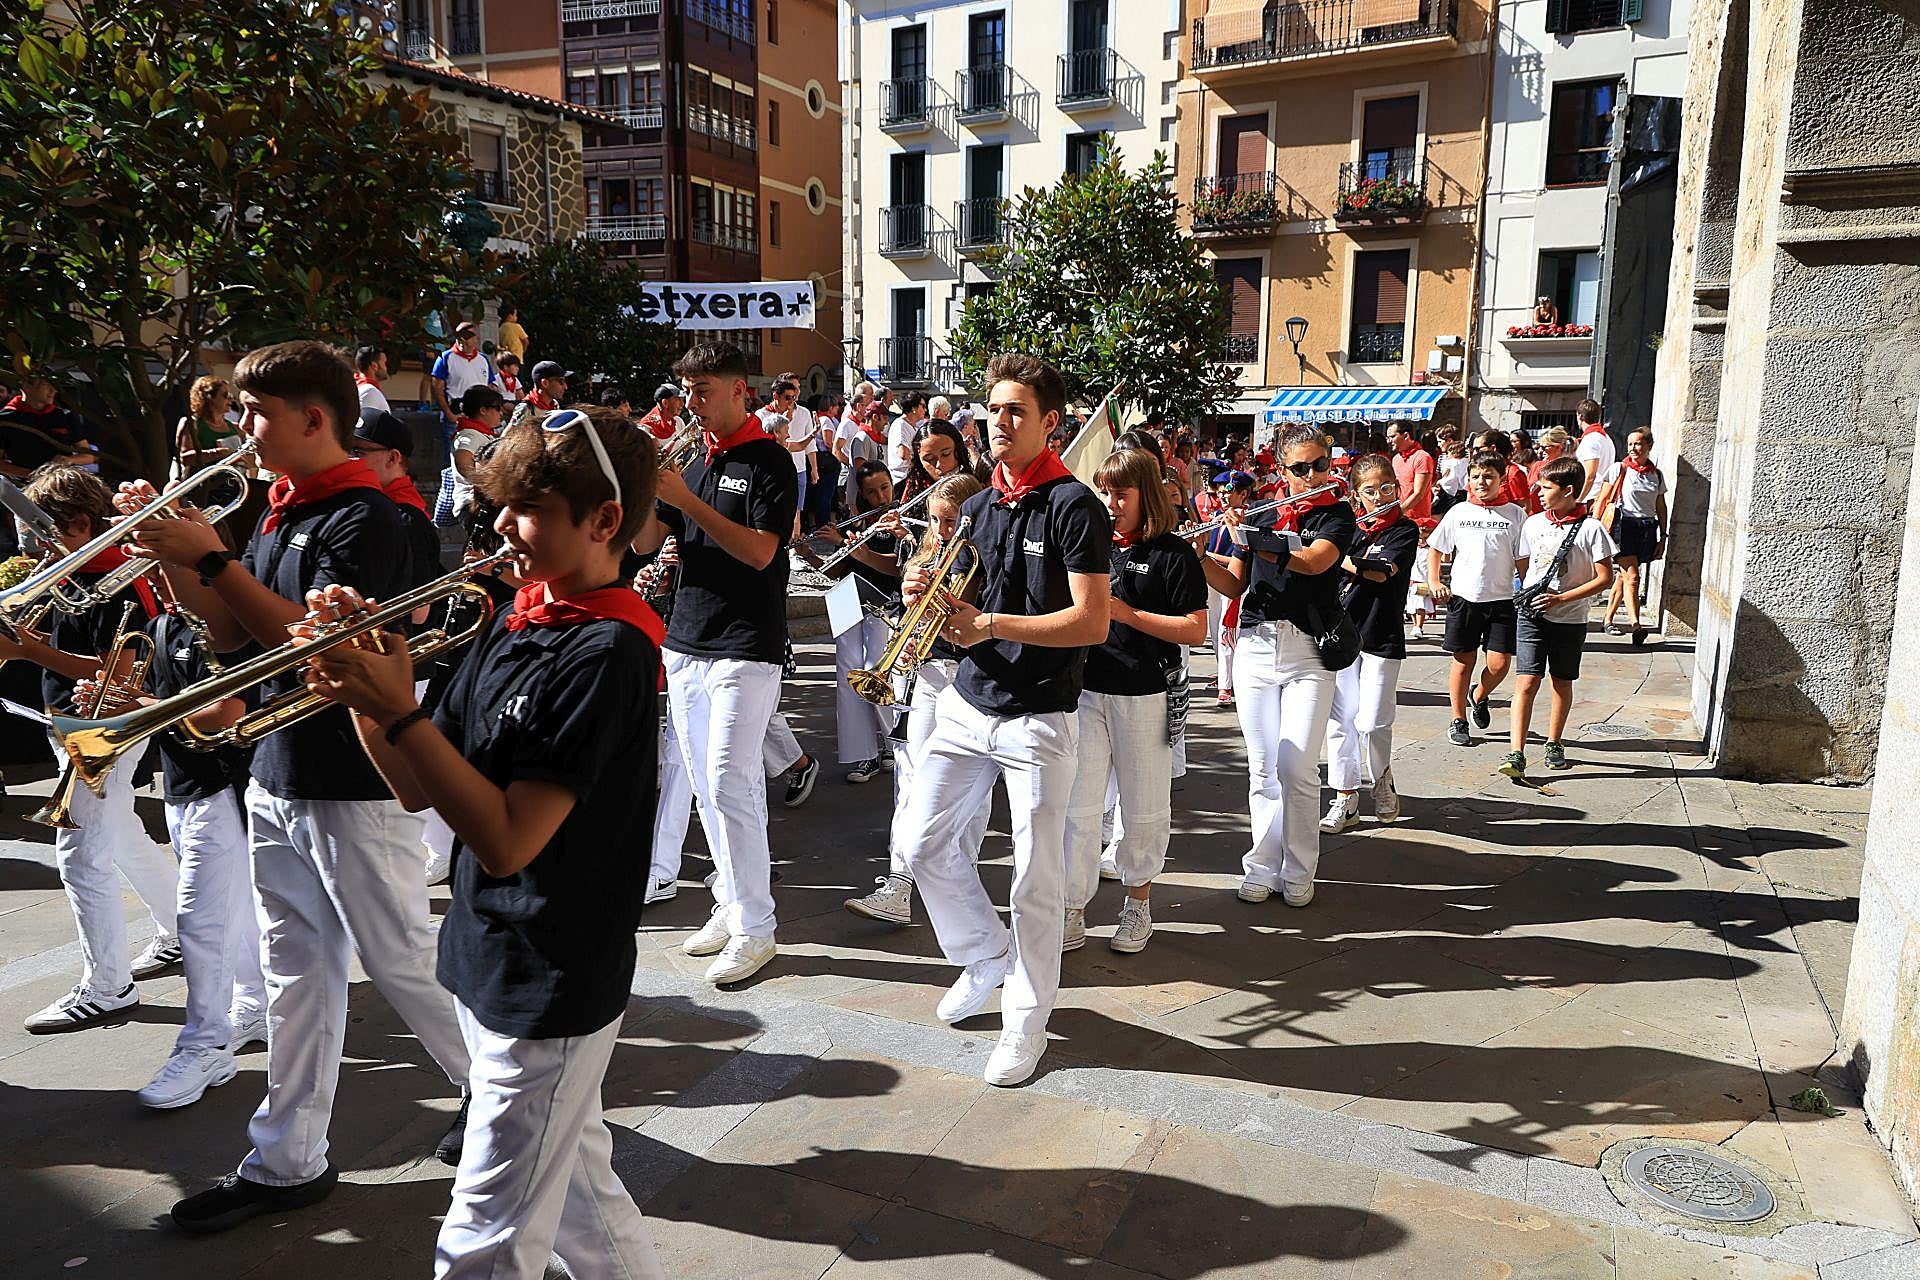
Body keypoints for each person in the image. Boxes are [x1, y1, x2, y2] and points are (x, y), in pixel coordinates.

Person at [301, 405, 667, 1279]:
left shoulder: (607, 650)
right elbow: (417, 785)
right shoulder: (517, 616)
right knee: (582, 1205)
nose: (500, 524)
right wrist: (364, 691)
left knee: (485, 1241)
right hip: (486, 950)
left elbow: (508, 841)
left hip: (552, 973)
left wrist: (399, 708)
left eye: (527, 508)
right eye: (499, 504)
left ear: (605, 521)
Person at [122, 341, 469, 1233]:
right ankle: (286, 1160)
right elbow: (232, 633)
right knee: (294, 978)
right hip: (275, 770)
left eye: (257, 413)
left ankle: (500, 1093)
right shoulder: (281, 512)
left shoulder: (365, 516)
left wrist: (213, 560)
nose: (242, 429)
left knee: (399, 960)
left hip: (353, 779)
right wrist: (172, 556)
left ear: (314, 418)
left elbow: (321, 647)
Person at [894, 353, 1110, 1087]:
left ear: (1052, 423)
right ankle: (986, 956)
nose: (999, 422)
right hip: (967, 701)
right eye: (993, 409)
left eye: (1017, 410)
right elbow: (963, 597)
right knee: (920, 843)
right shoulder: (981, 506)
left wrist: (989, 624)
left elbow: (1090, 621)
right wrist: (926, 588)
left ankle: (1027, 1020)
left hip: (1040, 716)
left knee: (1034, 879)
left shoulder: (1074, 505)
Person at [635, 341, 796, 987]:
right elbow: (648, 541)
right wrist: (643, 492)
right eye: (687, 392)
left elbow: (760, 552)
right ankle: (731, 904)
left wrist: (686, 501)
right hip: (686, 639)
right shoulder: (690, 460)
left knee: (730, 780)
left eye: (703, 391)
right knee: (706, 784)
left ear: (738, 391)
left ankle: (757, 926)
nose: (692, 404)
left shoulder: (769, 460)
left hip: (746, 642)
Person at [8, 467, 180, 1035]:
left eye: (38, 533)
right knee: (123, 834)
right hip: (72, 723)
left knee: (80, 857)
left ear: (80, 524)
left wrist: (28, 652)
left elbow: (120, 672)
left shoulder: (112, 577)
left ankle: (108, 986)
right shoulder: (74, 572)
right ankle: (179, 932)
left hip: (104, 726)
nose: (30, 548)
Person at [103, 576, 266, 1107]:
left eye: (164, 562)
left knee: (199, 923)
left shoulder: (226, 627)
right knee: (231, 914)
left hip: (221, 787)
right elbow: (157, 707)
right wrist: (113, 702)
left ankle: (206, 1044)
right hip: (182, 788)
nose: (154, 575)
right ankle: (253, 1005)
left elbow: (228, 713)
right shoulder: (160, 625)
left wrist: (143, 704)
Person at [1194, 427, 1356, 911]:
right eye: (1301, 468)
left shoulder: (1336, 514)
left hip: (1308, 650)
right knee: (1263, 767)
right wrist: (1200, 554)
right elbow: (1234, 585)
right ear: (1283, 471)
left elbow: (1313, 562)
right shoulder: (1263, 511)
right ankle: (1261, 866)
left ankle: (1299, 869)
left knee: (1297, 766)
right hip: (1257, 646)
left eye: (1321, 464)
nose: (1313, 475)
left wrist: (1251, 536)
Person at [1063, 448, 1206, 954]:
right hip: (1085, 691)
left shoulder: (1173, 553)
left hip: (1145, 693)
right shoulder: (1091, 547)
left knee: (1144, 808)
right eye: (1104, 492)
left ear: (1146, 494)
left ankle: (1137, 904)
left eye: (1121, 493)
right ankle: (1072, 907)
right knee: (1078, 807)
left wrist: (1127, 615)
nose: (1110, 503)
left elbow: (1195, 629)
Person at [843, 471, 989, 926]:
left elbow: (980, 624)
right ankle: (898, 884)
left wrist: (942, 607)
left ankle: (961, 874)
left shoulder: (984, 559)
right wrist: (910, 621)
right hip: (927, 674)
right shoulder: (929, 553)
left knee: (968, 787)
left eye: (951, 521)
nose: (942, 531)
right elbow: (911, 613)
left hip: (969, 677)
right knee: (911, 776)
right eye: (936, 520)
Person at [1502, 455, 1616, 778]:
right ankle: (1516, 752)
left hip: (1571, 618)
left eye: (1546, 488)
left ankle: (1554, 742)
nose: (1538, 493)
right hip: (1533, 615)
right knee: (1526, 681)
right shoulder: (1533, 523)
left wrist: (1562, 598)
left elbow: (1605, 578)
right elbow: (1525, 565)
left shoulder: (1591, 529)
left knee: (1561, 681)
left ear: (1568, 491)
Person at [1322, 455, 1418, 831]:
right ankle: (1345, 797)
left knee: (1373, 721)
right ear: (1356, 494)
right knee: (1341, 720)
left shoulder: (1404, 530)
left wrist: (1334, 555)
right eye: (1370, 491)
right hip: (1342, 633)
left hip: (1381, 634)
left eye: (1386, 488)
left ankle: (1381, 778)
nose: (1380, 497)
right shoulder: (1348, 529)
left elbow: (1380, 573)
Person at [1427, 452, 1528, 748]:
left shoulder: (1515, 515)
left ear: (1501, 479)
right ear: (1468, 480)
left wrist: (1528, 589)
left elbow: (1522, 558)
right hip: (1464, 598)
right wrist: (1435, 581)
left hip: (1503, 600)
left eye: (1488, 477)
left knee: (1500, 664)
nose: (1481, 482)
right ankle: (1458, 718)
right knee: (1463, 661)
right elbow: (1436, 548)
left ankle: (1479, 695)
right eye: (1475, 477)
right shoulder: (1458, 512)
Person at [828, 460, 900, 784]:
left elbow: (900, 566)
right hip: (847, 597)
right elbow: (835, 570)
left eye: (885, 488)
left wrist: (865, 551)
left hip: (883, 601)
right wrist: (829, 548)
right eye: (872, 492)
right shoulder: (852, 520)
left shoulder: (902, 518)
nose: (880, 497)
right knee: (847, 678)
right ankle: (863, 755)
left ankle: (892, 743)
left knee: (875, 671)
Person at [1597, 427, 1667, 644]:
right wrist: (1594, 528)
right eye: (1630, 444)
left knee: (1624, 577)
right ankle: (1636, 626)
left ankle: (1608, 620)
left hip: (1646, 528)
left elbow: (1661, 506)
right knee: (1633, 577)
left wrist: (1663, 536)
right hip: (1624, 526)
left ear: (1648, 446)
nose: (1633, 448)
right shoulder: (1619, 468)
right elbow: (1602, 499)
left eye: (1637, 444)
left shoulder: (1656, 475)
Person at [1200, 471, 1254, 706]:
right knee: (1215, 630)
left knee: (1227, 630)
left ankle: (1226, 686)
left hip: (1231, 580)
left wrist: (1206, 557)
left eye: (1228, 492)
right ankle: (1224, 674)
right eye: (1220, 493)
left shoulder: (1246, 520)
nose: (1222, 496)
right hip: (1213, 580)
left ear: (1243, 494)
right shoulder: (1219, 517)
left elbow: (1239, 559)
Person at [0, 375, 98, 479]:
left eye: (54, 385)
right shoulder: (5, 419)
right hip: (22, 484)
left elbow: (89, 456)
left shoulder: (64, 416)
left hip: (62, 481)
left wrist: (70, 460)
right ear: (26, 386)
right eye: (46, 385)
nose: (53, 390)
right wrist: (34, 475)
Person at [430, 323, 502, 458]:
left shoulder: (483, 359)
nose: (477, 338)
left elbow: (491, 386)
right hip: (456, 415)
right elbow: (436, 387)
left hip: (481, 417)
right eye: (473, 335)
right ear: (462, 338)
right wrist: (449, 414)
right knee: (454, 458)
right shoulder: (445, 358)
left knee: (483, 456)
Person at [177, 376, 242, 475]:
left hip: (235, 480)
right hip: (203, 481)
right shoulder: (192, 423)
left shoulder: (235, 427)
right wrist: (218, 453)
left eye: (231, 396)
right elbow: (185, 458)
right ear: (208, 397)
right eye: (226, 395)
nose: (231, 399)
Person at [902, 417, 982, 496]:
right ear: (920, 461)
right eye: (929, 459)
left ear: (958, 452)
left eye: (946, 454)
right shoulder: (911, 489)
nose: (939, 465)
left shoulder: (976, 488)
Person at [1384, 421, 1435, 528]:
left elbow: (1418, 493)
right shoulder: (1396, 459)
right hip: (1400, 518)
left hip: (1417, 521)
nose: (1389, 441)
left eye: (1392, 437)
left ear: (1406, 435)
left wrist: (1399, 512)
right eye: (1388, 438)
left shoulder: (1422, 457)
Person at [1573, 398, 1615, 500]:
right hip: (1599, 495)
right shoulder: (1605, 437)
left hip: (1590, 497)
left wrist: (1579, 499)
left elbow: (1590, 476)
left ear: (1580, 416)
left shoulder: (1591, 439)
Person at [1527, 426, 1571, 516]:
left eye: (1544, 447)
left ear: (1558, 447)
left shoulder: (1567, 468)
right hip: (1533, 514)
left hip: (1555, 514)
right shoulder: (1537, 465)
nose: (1540, 451)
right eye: (1540, 447)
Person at [886, 392, 926, 485]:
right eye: (923, 406)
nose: (925, 409)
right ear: (913, 408)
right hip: (901, 479)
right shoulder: (900, 425)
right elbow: (903, 453)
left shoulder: (913, 426)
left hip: (910, 477)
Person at [354, 346, 391, 414]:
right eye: (385, 363)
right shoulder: (369, 391)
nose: (386, 367)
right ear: (374, 366)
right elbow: (363, 420)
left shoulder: (355, 386)